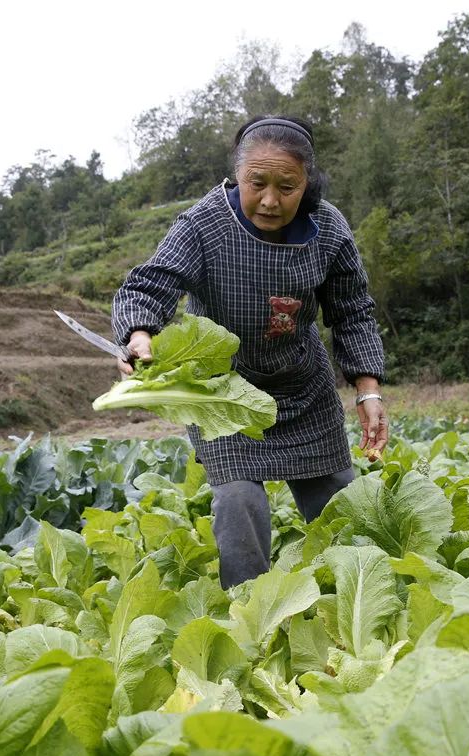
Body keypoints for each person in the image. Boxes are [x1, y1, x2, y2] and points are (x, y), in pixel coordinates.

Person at [110, 114, 389, 588]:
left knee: (340, 502)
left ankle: (357, 593)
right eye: (256, 182)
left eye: (287, 186)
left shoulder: (329, 227)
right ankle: (250, 613)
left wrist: (367, 390)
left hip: (303, 388)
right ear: (237, 175)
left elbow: (353, 309)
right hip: (224, 395)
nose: (270, 200)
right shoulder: (205, 223)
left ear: (308, 184)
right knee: (240, 501)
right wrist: (138, 334)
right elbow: (152, 282)